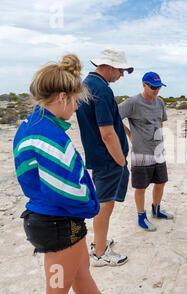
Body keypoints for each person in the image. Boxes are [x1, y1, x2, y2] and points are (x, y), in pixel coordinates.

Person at [13, 54, 115, 294]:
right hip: (57, 223)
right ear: (62, 97)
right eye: (75, 101)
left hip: (54, 220)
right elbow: (65, 190)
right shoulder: (49, 136)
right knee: (56, 292)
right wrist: (93, 206)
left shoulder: (31, 123)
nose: (77, 106)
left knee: (82, 273)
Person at [76, 48, 133, 266]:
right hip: (108, 158)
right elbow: (107, 133)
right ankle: (100, 253)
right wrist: (120, 160)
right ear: (108, 67)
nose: (121, 75)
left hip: (99, 155)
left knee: (105, 202)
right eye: (120, 70)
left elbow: (113, 121)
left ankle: (99, 242)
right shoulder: (101, 89)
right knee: (105, 205)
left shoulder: (87, 85)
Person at [118, 72, 173, 232]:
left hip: (158, 150)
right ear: (144, 84)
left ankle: (156, 210)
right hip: (141, 153)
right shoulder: (132, 102)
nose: (156, 90)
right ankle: (141, 216)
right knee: (141, 186)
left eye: (159, 87)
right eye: (153, 87)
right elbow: (114, 118)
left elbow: (160, 122)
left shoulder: (160, 102)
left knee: (161, 181)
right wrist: (130, 135)